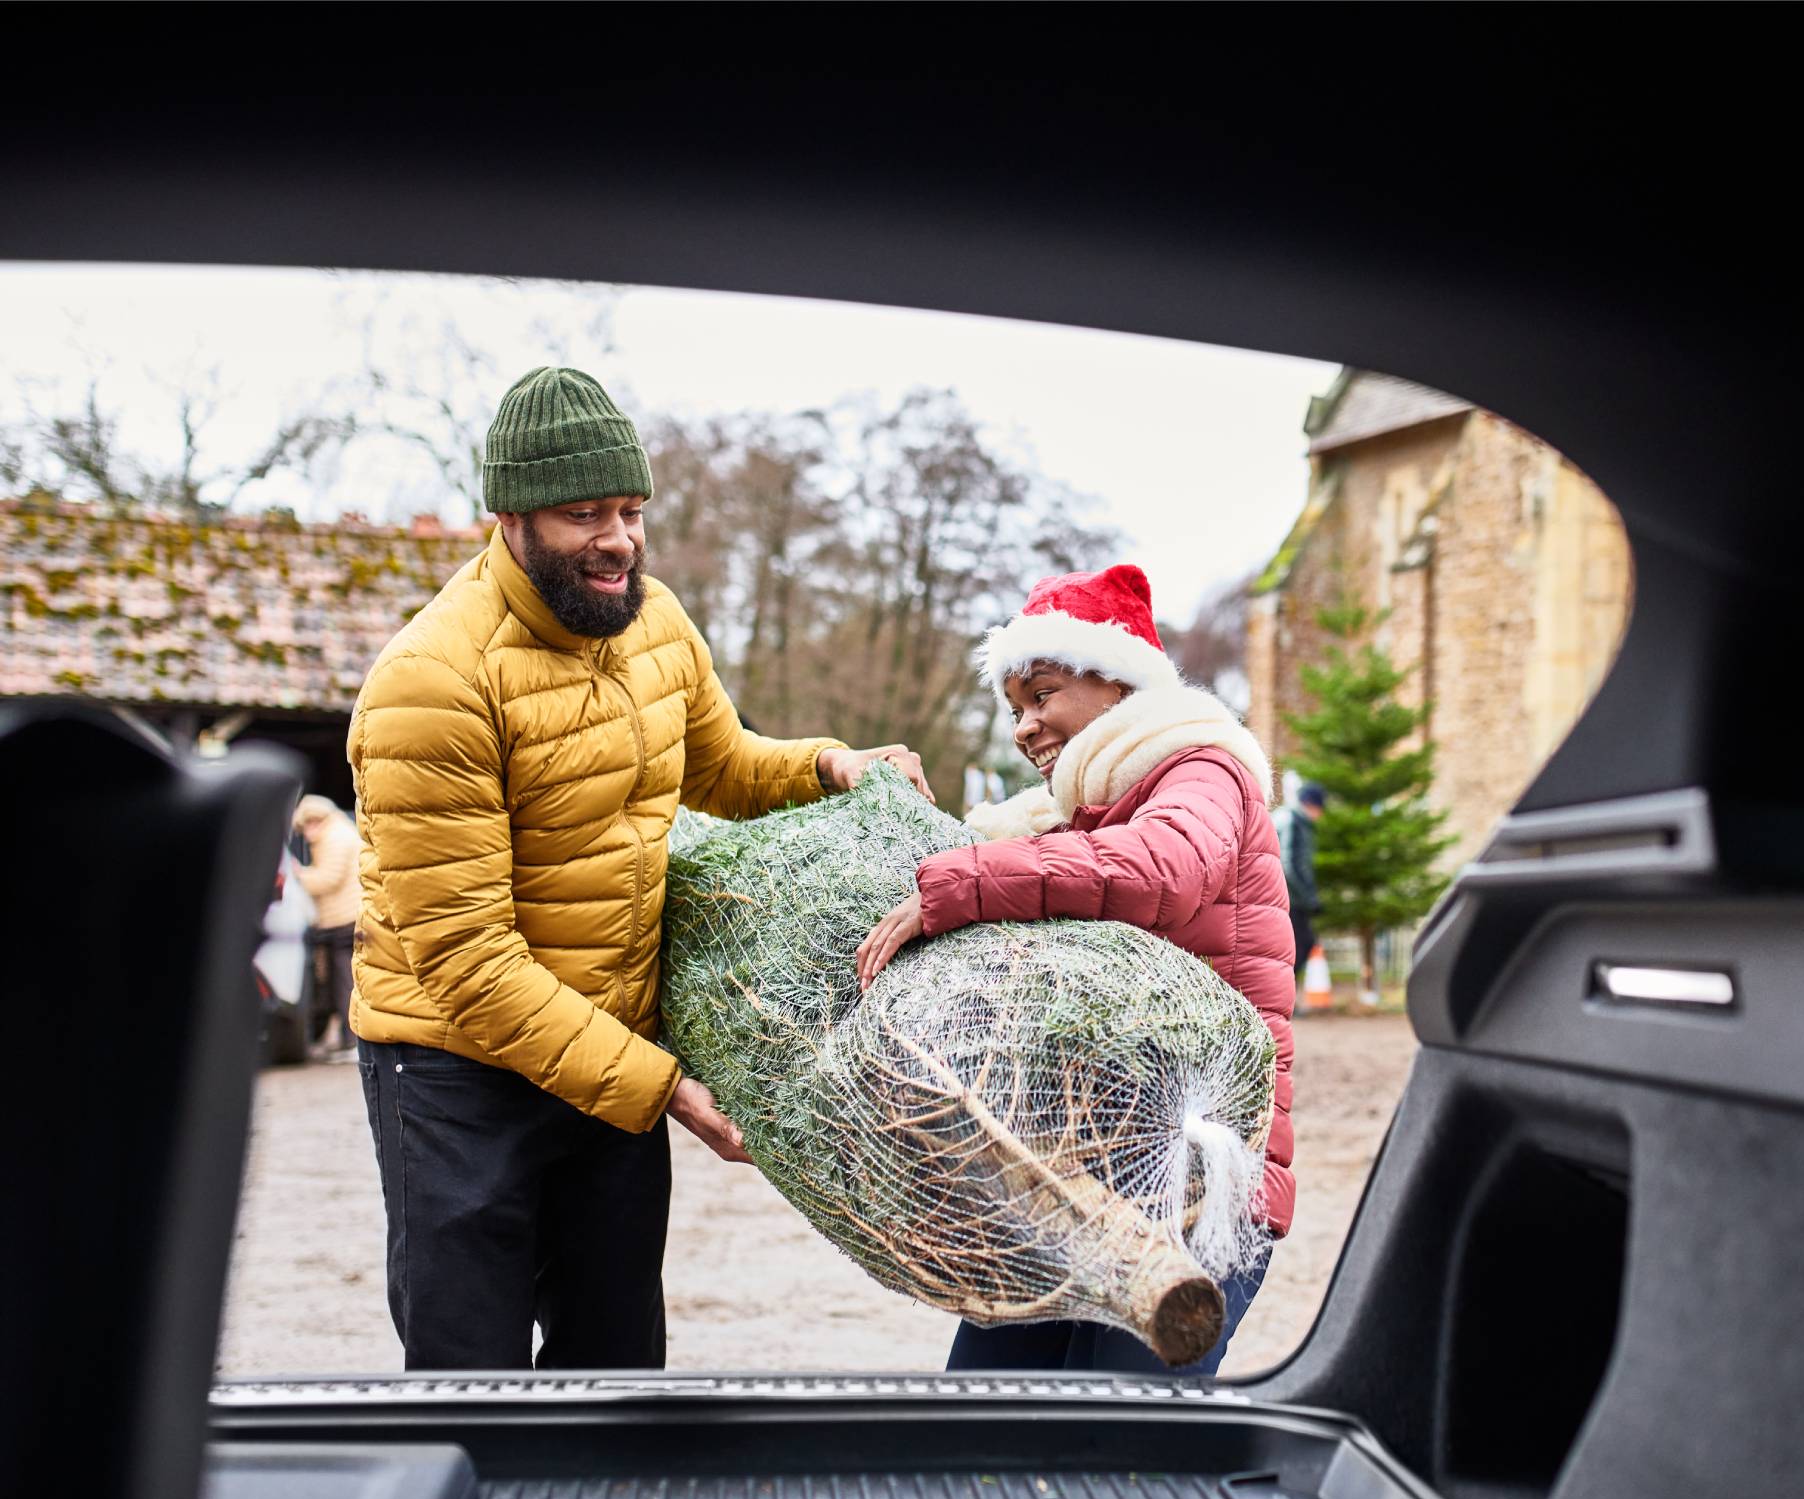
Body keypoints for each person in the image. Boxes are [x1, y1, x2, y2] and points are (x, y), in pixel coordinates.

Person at [346, 366, 931, 1371]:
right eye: (583, 514)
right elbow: (470, 964)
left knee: (614, 1363)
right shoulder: (430, 683)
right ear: (508, 517)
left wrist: (831, 763)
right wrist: (664, 1090)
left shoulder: (654, 622)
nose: (617, 539)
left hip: (608, 1050)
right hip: (456, 1067)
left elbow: (725, 767)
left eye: (629, 509)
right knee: (468, 1372)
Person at [854, 563, 1294, 1376]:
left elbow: (1164, 869)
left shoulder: (1200, 772)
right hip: (1078, 1184)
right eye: (1015, 708)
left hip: (1190, 1189)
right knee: (986, 1425)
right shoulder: (1077, 817)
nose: (1025, 727)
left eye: (1044, 694)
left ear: (1120, 683)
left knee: (1116, 1457)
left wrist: (967, 882)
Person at [292, 794, 361, 1061]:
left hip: (344, 920)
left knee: (344, 980)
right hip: (340, 918)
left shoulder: (335, 837)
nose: (306, 834)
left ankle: (351, 1039)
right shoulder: (338, 832)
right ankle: (346, 1039)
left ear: (316, 820)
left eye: (307, 827)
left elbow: (328, 879)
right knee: (340, 978)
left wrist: (300, 875)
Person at [1276, 782, 1326, 980]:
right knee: (1299, 945)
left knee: (1299, 945)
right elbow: (1290, 864)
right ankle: (1281, 997)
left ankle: (1283, 997)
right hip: (1290, 898)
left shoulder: (1292, 819)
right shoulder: (1293, 821)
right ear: (1312, 805)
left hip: (1291, 897)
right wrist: (1309, 898)